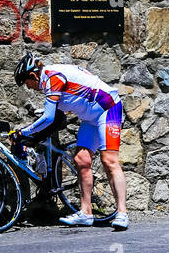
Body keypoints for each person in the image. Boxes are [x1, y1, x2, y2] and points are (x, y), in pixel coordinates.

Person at [14, 52, 129, 229]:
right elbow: (58, 120)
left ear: (32, 75)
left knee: (109, 160)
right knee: (81, 160)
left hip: (109, 108)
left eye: (26, 83)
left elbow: (48, 118)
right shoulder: (48, 81)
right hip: (90, 118)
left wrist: (23, 133)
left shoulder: (53, 77)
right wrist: (31, 139)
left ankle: (122, 213)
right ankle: (86, 213)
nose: (28, 88)